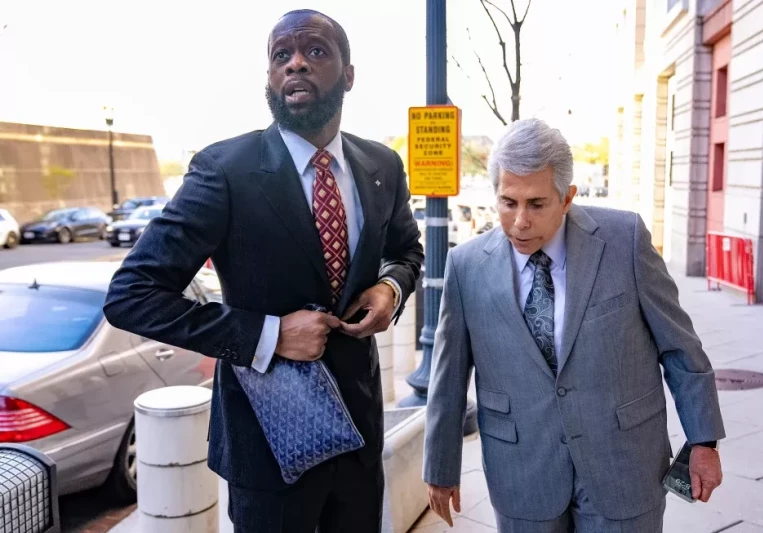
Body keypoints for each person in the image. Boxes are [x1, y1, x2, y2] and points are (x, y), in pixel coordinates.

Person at [103, 9, 423, 533]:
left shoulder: (382, 166)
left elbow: (406, 251)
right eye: (281, 55)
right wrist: (268, 335)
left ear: (348, 75)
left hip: (359, 436)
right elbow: (131, 295)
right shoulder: (225, 170)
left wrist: (391, 287)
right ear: (270, 77)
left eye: (315, 51)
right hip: (267, 445)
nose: (296, 63)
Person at [422, 118, 725, 532]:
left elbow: (680, 348)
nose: (520, 221)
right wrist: (440, 467)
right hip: (521, 472)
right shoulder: (466, 266)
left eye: (536, 204)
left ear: (567, 198)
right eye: (508, 202)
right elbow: (448, 378)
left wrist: (704, 440)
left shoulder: (625, 240)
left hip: (624, 466)